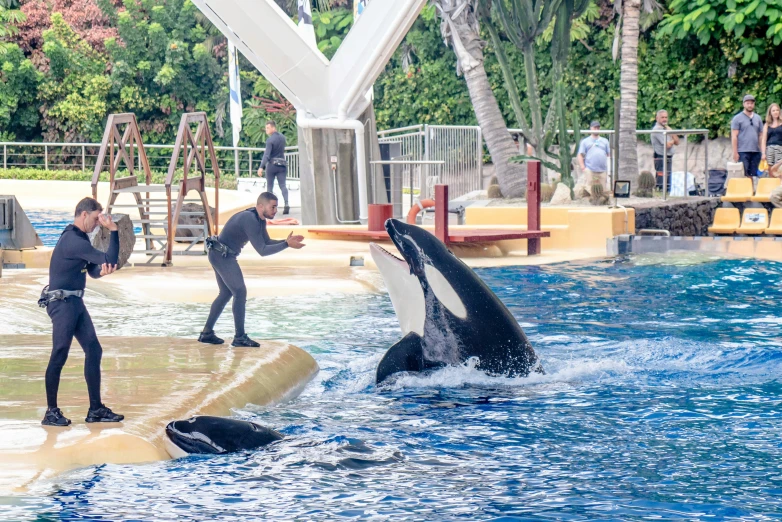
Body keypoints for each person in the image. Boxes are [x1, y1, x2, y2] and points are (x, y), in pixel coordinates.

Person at [40, 197, 123, 427]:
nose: (99, 223)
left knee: (94, 350)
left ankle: (95, 409)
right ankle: (51, 412)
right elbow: (109, 257)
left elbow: (94, 270)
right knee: (60, 353)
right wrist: (113, 230)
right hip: (62, 303)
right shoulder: (73, 240)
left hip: (75, 303)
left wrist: (102, 272)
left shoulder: (79, 239)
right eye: (96, 218)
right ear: (83, 214)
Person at [199, 192, 305, 347]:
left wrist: (286, 241)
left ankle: (207, 333)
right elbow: (262, 250)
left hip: (219, 253)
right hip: (222, 255)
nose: (275, 210)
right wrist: (286, 245)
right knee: (239, 292)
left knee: (226, 293)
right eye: (273, 207)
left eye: (276, 207)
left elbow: (266, 241)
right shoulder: (250, 219)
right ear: (261, 206)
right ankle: (239, 337)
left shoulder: (259, 219)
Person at [257, 121, 290, 215]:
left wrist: (261, 167)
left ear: (273, 128)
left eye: (268, 128)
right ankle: (286, 203)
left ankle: (270, 208)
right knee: (283, 185)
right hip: (282, 165)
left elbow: (266, 155)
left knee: (270, 187)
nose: (266, 130)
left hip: (272, 165)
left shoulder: (270, 140)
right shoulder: (283, 138)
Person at [731, 94, 763, 179]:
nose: (750, 105)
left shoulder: (758, 118)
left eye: (751, 103)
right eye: (747, 103)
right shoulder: (737, 118)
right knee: (744, 174)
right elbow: (734, 136)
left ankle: (752, 190)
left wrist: (762, 150)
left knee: (753, 174)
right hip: (743, 150)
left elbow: (761, 135)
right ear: (743, 104)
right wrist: (735, 152)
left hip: (755, 151)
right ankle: (745, 191)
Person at [576, 121, 611, 196]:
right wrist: (583, 168)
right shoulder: (585, 141)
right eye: (595, 127)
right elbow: (580, 155)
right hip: (590, 170)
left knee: (603, 191)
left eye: (598, 127)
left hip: (602, 170)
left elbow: (608, 155)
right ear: (591, 128)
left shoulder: (605, 141)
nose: (596, 129)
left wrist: (609, 169)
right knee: (590, 191)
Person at [650, 110, 680, 190]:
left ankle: (666, 192)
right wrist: (672, 137)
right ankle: (660, 191)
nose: (664, 119)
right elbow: (668, 145)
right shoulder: (657, 129)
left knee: (668, 176)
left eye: (666, 117)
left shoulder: (666, 129)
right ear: (657, 118)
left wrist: (671, 132)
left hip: (668, 156)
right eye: (662, 117)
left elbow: (677, 142)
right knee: (661, 177)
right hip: (661, 156)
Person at [761, 102, 782, 170]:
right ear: (770, 113)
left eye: (777, 110)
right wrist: (763, 153)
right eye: (773, 110)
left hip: (780, 149)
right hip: (769, 149)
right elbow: (764, 140)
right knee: (770, 170)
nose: (775, 112)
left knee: (779, 170)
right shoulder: (767, 125)